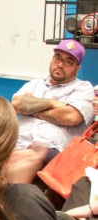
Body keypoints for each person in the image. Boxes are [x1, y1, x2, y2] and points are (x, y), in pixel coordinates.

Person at [5, 39, 94, 184]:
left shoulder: (83, 89)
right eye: (57, 58)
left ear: (77, 67)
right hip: (17, 143)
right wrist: (53, 103)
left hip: (51, 151)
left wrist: (33, 108)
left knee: (28, 157)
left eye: (68, 61)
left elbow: (70, 116)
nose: (60, 64)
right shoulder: (35, 84)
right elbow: (16, 104)